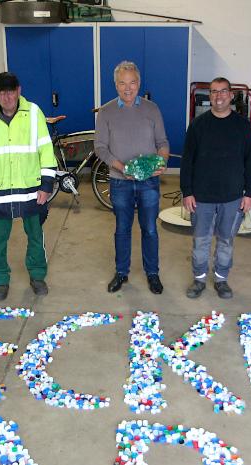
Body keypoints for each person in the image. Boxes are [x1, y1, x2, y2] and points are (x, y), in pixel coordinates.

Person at [0, 72, 56, 301]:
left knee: (35, 235)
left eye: (10, 91)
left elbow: (46, 150)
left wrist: (47, 184)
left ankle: (37, 276)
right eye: (2, 92)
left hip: (31, 189)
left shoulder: (34, 113)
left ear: (19, 90)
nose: (6, 97)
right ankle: (0, 279)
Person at [95, 61, 170, 294]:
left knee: (149, 228)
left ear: (139, 83)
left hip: (148, 182)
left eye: (132, 82)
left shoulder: (152, 109)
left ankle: (152, 273)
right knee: (122, 229)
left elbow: (163, 143)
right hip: (120, 182)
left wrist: (162, 161)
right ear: (115, 85)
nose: (128, 88)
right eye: (122, 83)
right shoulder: (106, 112)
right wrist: (121, 167)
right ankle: (121, 272)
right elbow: (100, 147)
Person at [179, 77, 251, 299]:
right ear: (209, 96)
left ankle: (221, 279)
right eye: (214, 92)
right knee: (201, 241)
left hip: (232, 197)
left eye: (223, 91)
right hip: (202, 197)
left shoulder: (242, 126)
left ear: (231, 95)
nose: (219, 95)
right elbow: (187, 161)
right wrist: (187, 191)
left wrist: (249, 193)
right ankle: (199, 279)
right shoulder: (197, 126)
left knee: (226, 240)